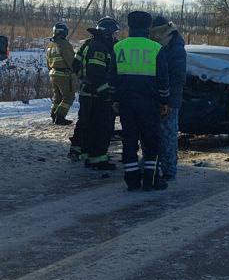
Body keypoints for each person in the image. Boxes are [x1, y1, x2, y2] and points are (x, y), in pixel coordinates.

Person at [113, 10, 170, 191]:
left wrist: (114, 100)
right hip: (149, 104)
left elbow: (112, 77)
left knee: (129, 140)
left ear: (130, 27)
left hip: (126, 104)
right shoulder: (156, 49)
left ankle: (132, 180)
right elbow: (163, 80)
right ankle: (151, 180)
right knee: (151, 141)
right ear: (148, 28)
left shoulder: (118, 47)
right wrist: (164, 101)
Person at [69, 16, 119, 170]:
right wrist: (106, 94)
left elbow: (75, 65)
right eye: (114, 34)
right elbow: (96, 73)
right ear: (107, 33)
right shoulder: (100, 47)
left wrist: (83, 79)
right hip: (97, 96)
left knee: (86, 123)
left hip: (87, 93)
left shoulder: (88, 44)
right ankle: (97, 159)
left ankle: (83, 152)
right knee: (101, 127)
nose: (115, 37)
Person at [149, 15, 186, 184]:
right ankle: (153, 166)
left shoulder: (175, 46)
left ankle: (169, 168)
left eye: (155, 32)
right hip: (155, 97)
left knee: (168, 135)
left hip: (170, 98)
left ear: (163, 31)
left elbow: (178, 77)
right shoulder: (163, 44)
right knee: (153, 134)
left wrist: (168, 100)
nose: (152, 35)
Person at [45, 21, 77, 125]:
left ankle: (53, 114)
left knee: (57, 96)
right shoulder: (64, 44)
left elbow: (48, 61)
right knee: (69, 96)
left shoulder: (50, 45)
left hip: (53, 73)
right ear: (63, 32)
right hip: (63, 75)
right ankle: (60, 117)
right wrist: (76, 71)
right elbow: (71, 61)